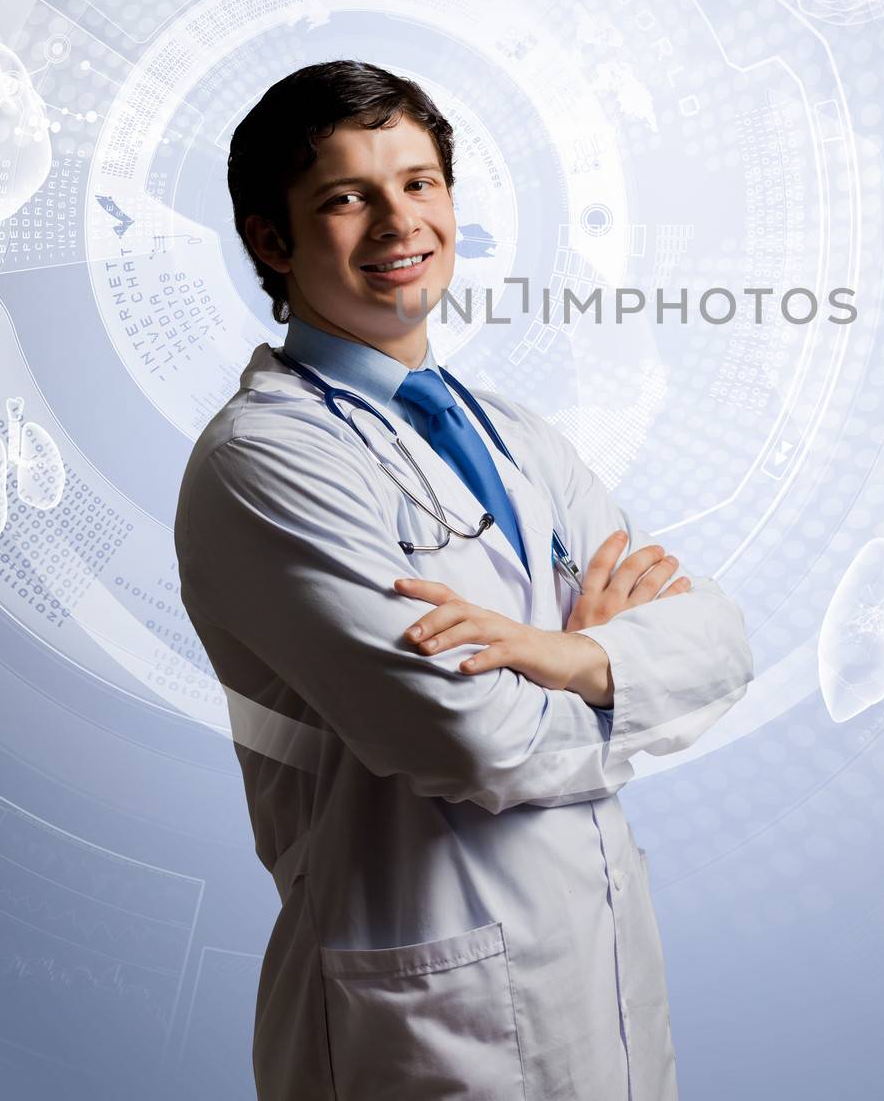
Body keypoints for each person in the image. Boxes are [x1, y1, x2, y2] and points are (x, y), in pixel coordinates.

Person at [174, 60, 753, 1100]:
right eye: (347, 197)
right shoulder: (264, 461)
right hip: (428, 1017)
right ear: (271, 239)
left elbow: (719, 644)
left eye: (419, 183)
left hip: (603, 972)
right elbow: (466, 739)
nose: (400, 223)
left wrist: (570, 655)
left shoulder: (520, 437)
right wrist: (625, 683)